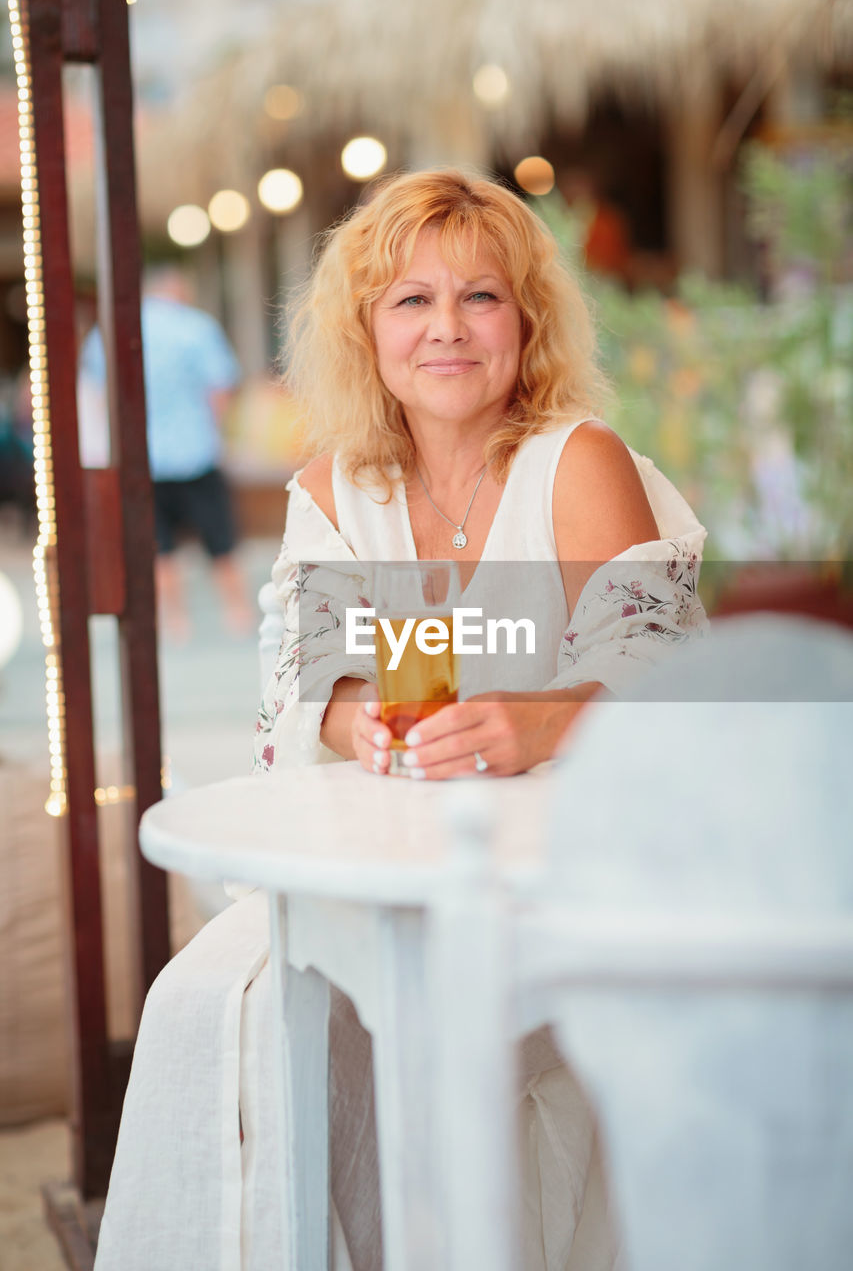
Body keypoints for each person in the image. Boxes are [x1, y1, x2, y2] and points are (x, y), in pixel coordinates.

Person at [95, 170, 707, 1271]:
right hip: (384, 855)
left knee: (431, 1024)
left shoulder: (575, 464)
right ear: (365, 329)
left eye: (480, 297)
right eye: (410, 301)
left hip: (561, 872)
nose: (446, 329)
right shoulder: (342, 486)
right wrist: (357, 718)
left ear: (525, 322)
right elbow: (312, 675)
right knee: (199, 999)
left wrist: (542, 720)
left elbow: (657, 671)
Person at [79, 266, 253, 639]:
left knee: (159, 547)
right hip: (197, 452)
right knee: (220, 541)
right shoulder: (197, 327)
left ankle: (175, 621)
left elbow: (95, 392)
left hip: (141, 458)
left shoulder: (110, 331)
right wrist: (217, 433)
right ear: (178, 291)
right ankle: (237, 614)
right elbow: (219, 389)